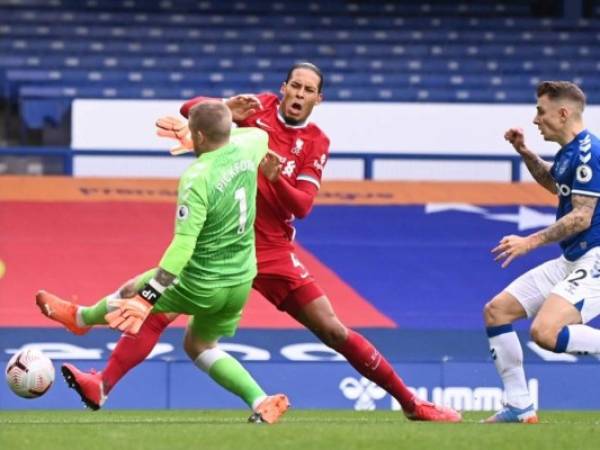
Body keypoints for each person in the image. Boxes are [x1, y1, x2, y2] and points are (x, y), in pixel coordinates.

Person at [38, 62, 461, 422]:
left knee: (331, 328)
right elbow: (196, 113)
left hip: (272, 250)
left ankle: (411, 402)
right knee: (156, 314)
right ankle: (101, 380)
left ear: (319, 100)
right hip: (222, 245)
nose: (298, 93)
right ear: (282, 88)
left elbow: (304, 206)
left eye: (308, 90)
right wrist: (226, 104)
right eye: (294, 85)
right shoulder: (259, 113)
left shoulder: (315, 143)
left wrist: (277, 181)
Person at [37, 100, 289, 424]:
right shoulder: (252, 143)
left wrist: (149, 297)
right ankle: (261, 400)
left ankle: (81, 319)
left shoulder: (198, 177)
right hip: (241, 280)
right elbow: (250, 133)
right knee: (200, 345)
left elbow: (183, 245)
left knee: (134, 295)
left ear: (197, 135)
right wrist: (202, 131)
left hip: (202, 281)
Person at [484, 81, 600, 423]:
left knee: (545, 333)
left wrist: (529, 242)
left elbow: (581, 217)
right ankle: (519, 405)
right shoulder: (569, 152)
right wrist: (525, 152)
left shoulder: (588, 153)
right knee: (497, 312)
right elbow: (554, 183)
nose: (535, 120)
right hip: (572, 257)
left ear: (562, 113)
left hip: (595, 257)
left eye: (541, 111)